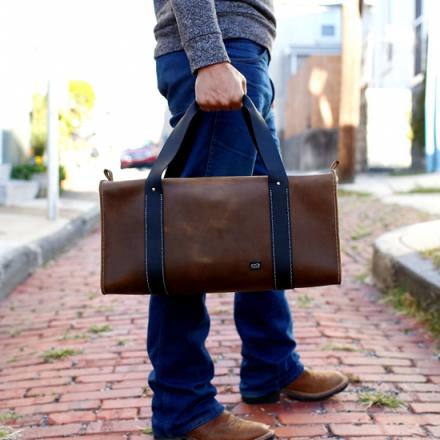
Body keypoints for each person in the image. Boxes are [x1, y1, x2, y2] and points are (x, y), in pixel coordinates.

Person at [148, 1, 350, 439]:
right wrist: (210, 56)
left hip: (245, 51)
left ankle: (271, 363)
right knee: (191, 236)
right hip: (219, 49)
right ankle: (182, 407)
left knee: (260, 224)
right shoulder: (213, 54)